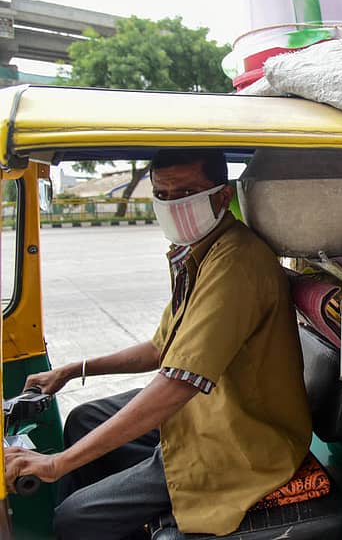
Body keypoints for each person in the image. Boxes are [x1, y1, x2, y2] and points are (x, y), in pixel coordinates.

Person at [3, 149, 312, 539]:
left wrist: (56, 464)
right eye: (162, 195)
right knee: (83, 419)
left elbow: (178, 382)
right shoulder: (201, 254)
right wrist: (72, 370)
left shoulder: (236, 263)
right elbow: (159, 349)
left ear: (221, 196)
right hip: (206, 410)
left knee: (74, 518)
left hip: (238, 439)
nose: (173, 205)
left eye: (186, 193)